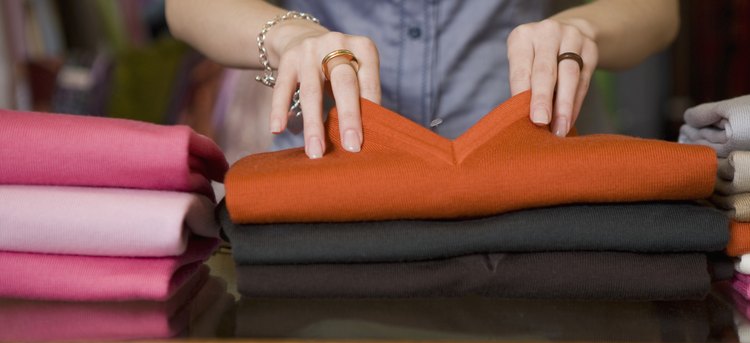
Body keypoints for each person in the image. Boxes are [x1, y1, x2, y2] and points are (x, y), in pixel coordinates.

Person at [166, 0, 679, 159]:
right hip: (323, 164)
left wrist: (583, 30)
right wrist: (288, 37)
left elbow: (657, 10)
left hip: (512, 164)